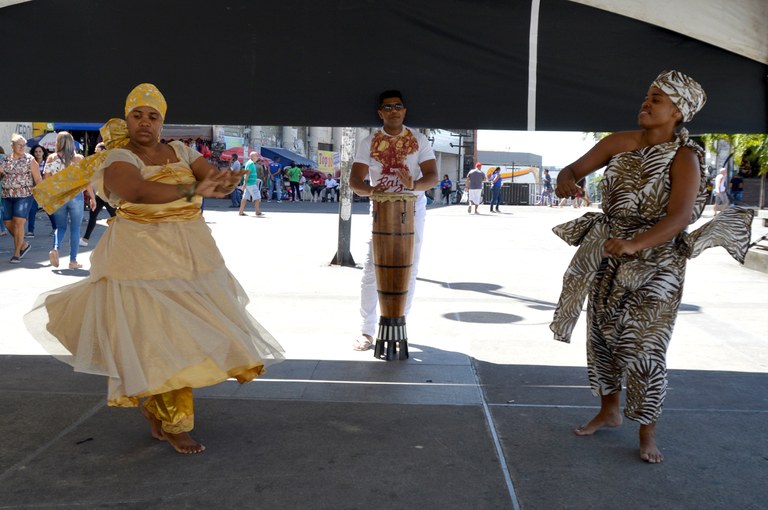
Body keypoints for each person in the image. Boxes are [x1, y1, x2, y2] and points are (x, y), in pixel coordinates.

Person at [25, 83, 284, 454]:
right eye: (137, 115)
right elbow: (138, 192)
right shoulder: (118, 157)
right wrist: (195, 191)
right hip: (139, 259)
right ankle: (175, 422)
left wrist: (224, 183)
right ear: (127, 118)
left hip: (191, 255)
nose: (145, 123)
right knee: (157, 340)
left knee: (185, 336)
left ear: (163, 121)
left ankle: (160, 412)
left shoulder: (180, 150)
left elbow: (212, 179)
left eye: (153, 116)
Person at [550, 71, 753, 464]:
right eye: (647, 96)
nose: (646, 102)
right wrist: (566, 181)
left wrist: (635, 244)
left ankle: (647, 431)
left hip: (659, 262)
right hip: (610, 251)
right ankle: (609, 412)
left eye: (657, 98)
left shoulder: (685, 158)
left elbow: (678, 219)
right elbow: (570, 171)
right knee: (604, 336)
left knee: (644, 347)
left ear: (678, 112)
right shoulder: (617, 142)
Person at [349, 89, 438, 351]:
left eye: (398, 106)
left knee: (410, 268)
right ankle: (366, 331)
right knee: (370, 269)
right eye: (387, 107)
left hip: (413, 208)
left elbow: (432, 175)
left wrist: (414, 184)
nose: (393, 111)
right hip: (381, 210)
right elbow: (355, 181)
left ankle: (398, 323)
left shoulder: (419, 139)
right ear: (380, 113)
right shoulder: (369, 142)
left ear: (405, 111)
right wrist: (371, 191)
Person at [44, 132, 96, 270]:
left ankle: (55, 248)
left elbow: (47, 181)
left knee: (60, 227)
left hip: (59, 197)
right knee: (75, 228)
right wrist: (92, 197)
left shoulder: (51, 158)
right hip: (75, 197)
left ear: (58, 143)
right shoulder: (78, 158)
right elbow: (86, 181)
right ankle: (73, 261)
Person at [0, 134, 42, 263]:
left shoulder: (30, 159)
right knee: (7, 223)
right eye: (19, 145)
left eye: (24, 145)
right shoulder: (5, 159)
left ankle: (17, 253)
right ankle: (23, 244)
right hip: (7, 195)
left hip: (24, 195)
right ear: (12, 146)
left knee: (18, 223)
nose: (22, 147)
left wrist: (43, 197)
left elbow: (38, 179)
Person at [81, 142, 117, 246]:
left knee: (115, 218)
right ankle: (85, 239)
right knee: (93, 215)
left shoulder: (109, 163)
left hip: (108, 194)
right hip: (100, 194)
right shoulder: (97, 162)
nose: (95, 152)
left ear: (104, 151)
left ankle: (120, 237)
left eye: (97, 150)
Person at [26, 144, 50, 239]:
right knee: (32, 210)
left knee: (48, 209)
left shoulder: (47, 163)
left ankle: (55, 227)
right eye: (36, 152)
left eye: (40, 151)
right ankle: (30, 231)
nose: (38, 153)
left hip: (44, 190)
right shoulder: (31, 163)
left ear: (43, 152)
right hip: (34, 190)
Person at [239, 151, 264, 217]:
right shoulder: (251, 164)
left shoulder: (249, 163)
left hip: (249, 183)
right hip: (251, 183)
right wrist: (244, 183)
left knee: (245, 197)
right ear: (252, 157)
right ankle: (257, 211)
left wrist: (245, 183)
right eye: (256, 156)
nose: (257, 158)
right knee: (257, 196)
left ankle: (241, 211)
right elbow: (247, 173)